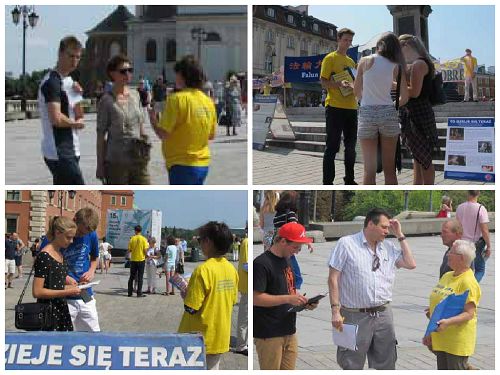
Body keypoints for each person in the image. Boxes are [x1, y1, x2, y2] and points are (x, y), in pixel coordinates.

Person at [328, 208, 416, 370]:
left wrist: (400, 235)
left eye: (388, 228)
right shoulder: (346, 244)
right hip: (354, 314)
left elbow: (411, 264)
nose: (386, 231)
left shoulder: (388, 247)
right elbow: (333, 278)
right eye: (384, 227)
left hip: (383, 314)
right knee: (351, 362)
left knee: (387, 362)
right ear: (370, 224)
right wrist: (335, 310)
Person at [254, 222, 318, 370]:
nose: (297, 252)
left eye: (299, 248)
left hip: (288, 329)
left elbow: (287, 290)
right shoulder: (261, 264)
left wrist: (302, 301)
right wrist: (288, 298)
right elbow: (255, 298)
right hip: (269, 333)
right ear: (282, 241)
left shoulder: (286, 260)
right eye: (295, 247)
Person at [178, 222, 238, 370]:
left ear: (208, 241)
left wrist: (186, 294)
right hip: (220, 335)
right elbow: (231, 300)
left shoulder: (202, 270)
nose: (200, 244)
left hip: (199, 337)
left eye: (200, 240)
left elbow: (191, 308)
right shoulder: (231, 269)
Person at [150, 55, 217, 185]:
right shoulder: (208, 102)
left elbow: (164, 133)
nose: (175, 78)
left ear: (183, 76)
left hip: (181, 164)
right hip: (203, 163)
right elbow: (211, 135)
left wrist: (153, 120)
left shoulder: (176, 99)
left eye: (177, 74)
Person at [353, 32, 409, 185]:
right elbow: (405, 97)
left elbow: (356, 92)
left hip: (366, 113)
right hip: (388, 113)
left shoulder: (364, 61)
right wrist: (391, 105)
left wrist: (364, 101)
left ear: (378, 46)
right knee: (390, 169)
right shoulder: (396, 66)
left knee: (368, 170)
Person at [422, 240, 481, 370]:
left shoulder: (468, 281)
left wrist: (448, 322)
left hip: (456, 341)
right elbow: (441, 302)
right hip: (441, 337)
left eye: (451, 252)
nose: (448, 254)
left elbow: (469, 313)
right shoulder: (447, 276)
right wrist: (429, 331)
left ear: (461, 258)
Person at [40, 207, 101, 332]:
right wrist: (63, 277)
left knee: (94, 333)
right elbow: (42, 263)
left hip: (85, 293)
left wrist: (91, 271)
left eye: (84, 234)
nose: (76, 237)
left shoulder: (91, 234)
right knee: (63, 335)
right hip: (63, 296)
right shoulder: (53, 237)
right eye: (80, 232)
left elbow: (95, 257)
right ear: (74, 220)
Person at [96, 54, 151, 184]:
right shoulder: (106, 101)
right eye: (123, 71)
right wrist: (100, 165)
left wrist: (145, 144)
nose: (127, 74)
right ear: (112, 74)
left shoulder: (135, 95)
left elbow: (141, 125)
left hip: (138, 160)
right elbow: (101, 136)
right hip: (116, 161)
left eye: (130, 70)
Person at [38, 35, 85, 185]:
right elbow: (56, 119)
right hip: (59, 151)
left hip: (72, 149)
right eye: (71, 56)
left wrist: (79, 94)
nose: (74, 61)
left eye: (78, 57)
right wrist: (76, 124)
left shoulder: (70, 82)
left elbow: (80, 115)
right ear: (60, 53)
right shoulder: (52, 82)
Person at [398, 34, 438, 185]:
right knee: (418, 156)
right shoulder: (419, 63)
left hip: (418, 113)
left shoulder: (418, 64)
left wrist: (394, 84)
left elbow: (414, 92)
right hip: (416, 113)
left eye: (399, 48)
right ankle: (417, 184)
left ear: (407, 46)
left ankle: (427, 186)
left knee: (425, 158)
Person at [320, 28, 358, 185]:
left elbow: (356, 83)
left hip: (351, 107)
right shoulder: (330, 58)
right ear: (338, 39)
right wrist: (338, 83)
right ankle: (327, 182)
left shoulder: (351, 61)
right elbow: (323, 82)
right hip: (335, 107)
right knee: (332, 147)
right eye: (345, 40)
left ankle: (349, 179)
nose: (348, 43)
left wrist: (354, 85)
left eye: (350, 41)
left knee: (351, 148)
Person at [32, 216, 82, 331]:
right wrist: (68, 291)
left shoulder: (59, 254)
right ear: (58, 233)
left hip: (61, 310)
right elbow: (37, 291)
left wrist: (76, 287)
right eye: (68, 237)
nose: (71, 241)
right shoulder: (45, 256)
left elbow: (54, 285)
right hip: (48, 313)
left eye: (72, 238)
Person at [456, 191, 492, 282]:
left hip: (461, 243)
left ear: (467, 193)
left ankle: (462, 287)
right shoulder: (481, 208)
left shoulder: (460, 207)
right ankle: (470, 288)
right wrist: (489, 246)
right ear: (478, 193)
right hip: (475, 244)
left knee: (464, 269)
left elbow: (457, 226)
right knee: (480, 269)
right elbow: (484, 230)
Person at [234, 230, 248, 356]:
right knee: (245, 316)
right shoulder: (247, 243)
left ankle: (244, 342)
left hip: (247, 285)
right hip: (248, 285)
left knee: (247, 316)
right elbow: (246, 265)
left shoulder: (246, 242)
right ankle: (241, 345)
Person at [127, 225, 149, 297]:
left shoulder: (132, 239)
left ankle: (129, 292)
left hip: (133, 260)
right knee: (140, 277)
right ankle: (139, 293)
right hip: (141, 260)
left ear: (135, 230)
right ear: (141, 231)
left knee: (132, 277)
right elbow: (145, 250)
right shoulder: (144, 239)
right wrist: (146, 256)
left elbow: (129, 250)